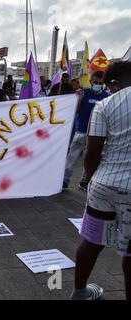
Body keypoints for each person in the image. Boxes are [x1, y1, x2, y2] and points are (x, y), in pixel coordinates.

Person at [71, 61, 131, 301]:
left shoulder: (106, 104)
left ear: (114, 84)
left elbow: (92, 151)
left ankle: (80, 292)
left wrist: (89, 178)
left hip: (104, 184)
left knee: (92, 240)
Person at [63, 71, 110, 190]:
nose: (98, 85)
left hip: (97, 134)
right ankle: (64, 179)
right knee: (72, 157)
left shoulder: (106, 97)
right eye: (95, 82)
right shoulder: (83, 93)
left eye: (100, 83)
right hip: (81, 131)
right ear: (90, 82)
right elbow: (76, 111)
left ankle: (85, 180)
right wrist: (79, 99)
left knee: (91, 157)